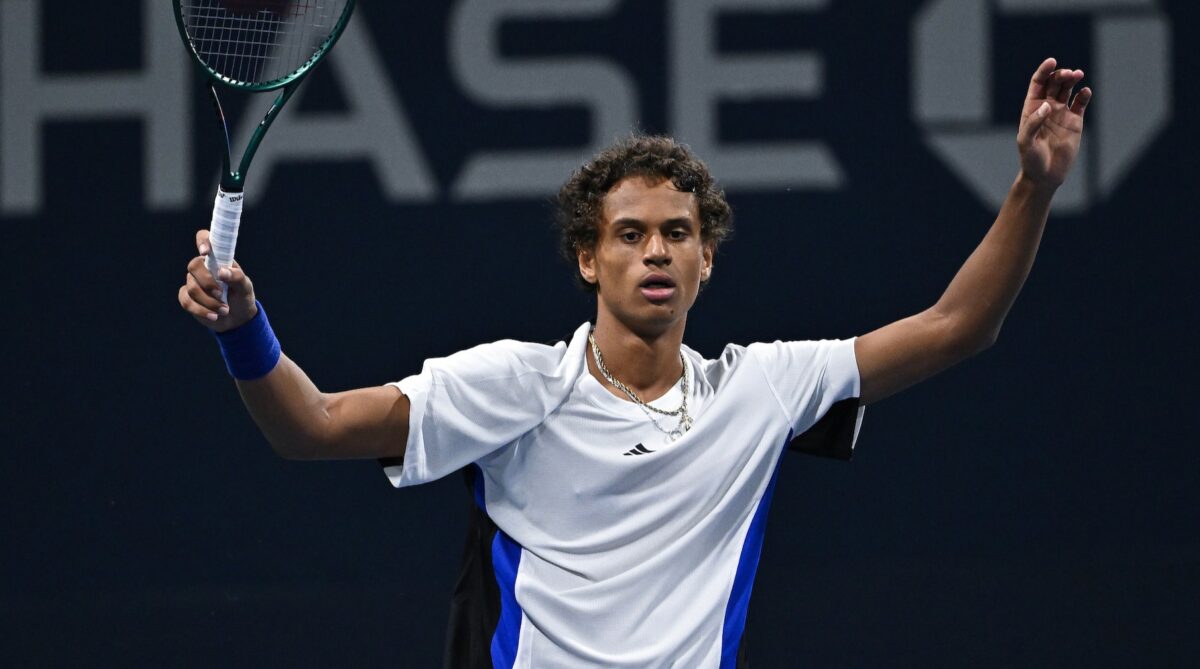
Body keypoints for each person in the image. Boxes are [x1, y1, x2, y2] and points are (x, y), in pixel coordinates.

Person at [179, 58, 1091, 667]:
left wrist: (1032, 186)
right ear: (589, 258)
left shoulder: (761, 389)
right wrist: (244, 330)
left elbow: (958, 324)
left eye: (677, 234)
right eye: (630, 234)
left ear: (706, 260)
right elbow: (313, 426)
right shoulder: (518, 385)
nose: (655, 251)